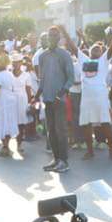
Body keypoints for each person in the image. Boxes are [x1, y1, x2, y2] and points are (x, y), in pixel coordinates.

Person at [34, 25, 75, 173]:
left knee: (61, 130)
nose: (51, 38)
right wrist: (36, 96)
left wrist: (61, 93)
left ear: (58, 38)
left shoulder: (64, 55)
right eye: (49, 35)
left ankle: (64, 161)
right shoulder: (42, 56)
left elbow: (71, 78)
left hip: (60, 99)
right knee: (50, 131)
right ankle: (56, 159)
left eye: (54, 35)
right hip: (47, 98)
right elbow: (42, 79)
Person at [77, 42, 112, 160]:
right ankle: (90, 151)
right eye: (93, 48)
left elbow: (111, 48)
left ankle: (111, 149)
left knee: (105, 123)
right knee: (86, 124)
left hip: (100, 97)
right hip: (86, 98)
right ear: (89, 52)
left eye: (98, 49)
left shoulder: (103, 61)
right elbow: (73, 48)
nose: (95, 50)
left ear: (101, 53)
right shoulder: (84, 60)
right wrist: (64, 32)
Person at [0, 53, 21, 157]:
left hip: (2, 101)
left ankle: (5, 147)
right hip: (11, 100)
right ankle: (7, 145)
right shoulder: (10, 74)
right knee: (8, 122)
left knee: (1, 122)